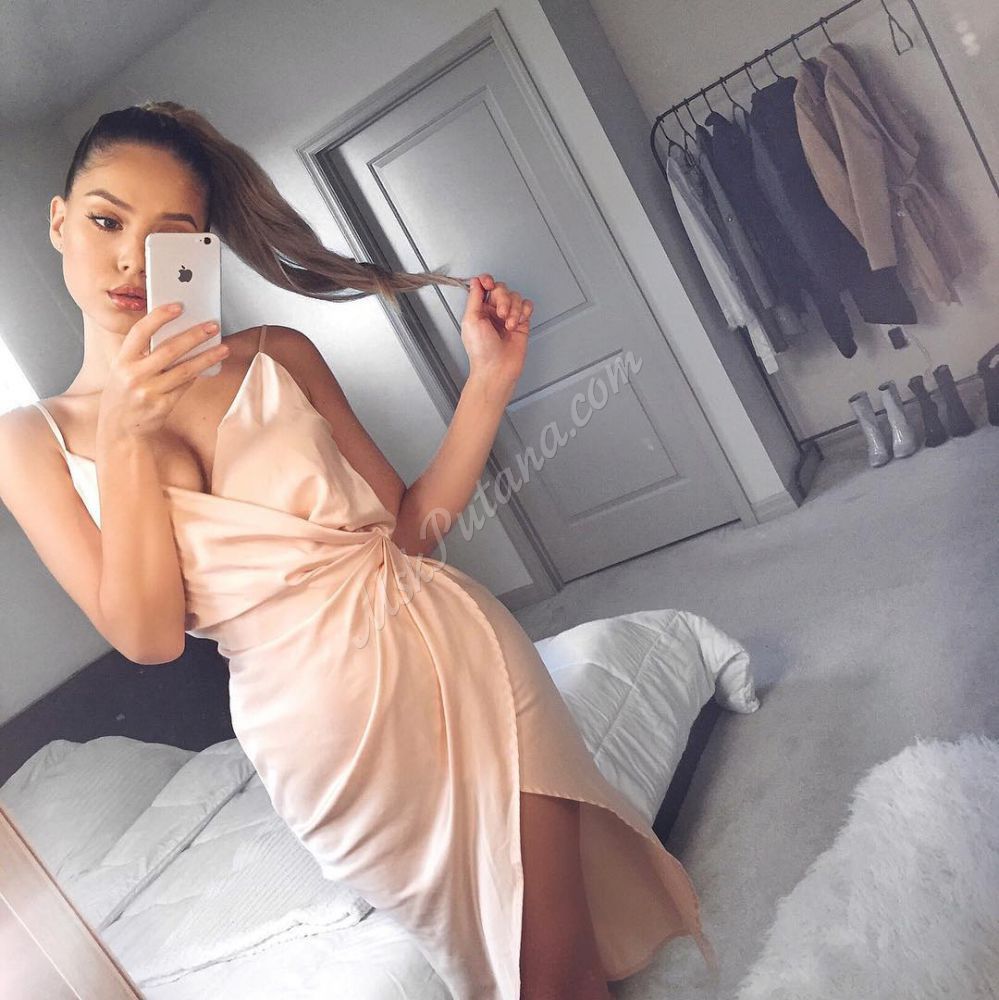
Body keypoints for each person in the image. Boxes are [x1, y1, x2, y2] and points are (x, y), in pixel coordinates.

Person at [0, 102, 717, 1000]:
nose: (131, 260)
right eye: (107, 221)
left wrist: (489, 382)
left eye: (169, 236)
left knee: (557, 966)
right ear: (59, 221)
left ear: (202, 251)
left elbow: (410, 529)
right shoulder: (29, 442)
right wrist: (126, 434)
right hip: (322, 740)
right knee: (489, 965)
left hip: (457, 651)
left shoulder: (277, 356)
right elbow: (147, 638)